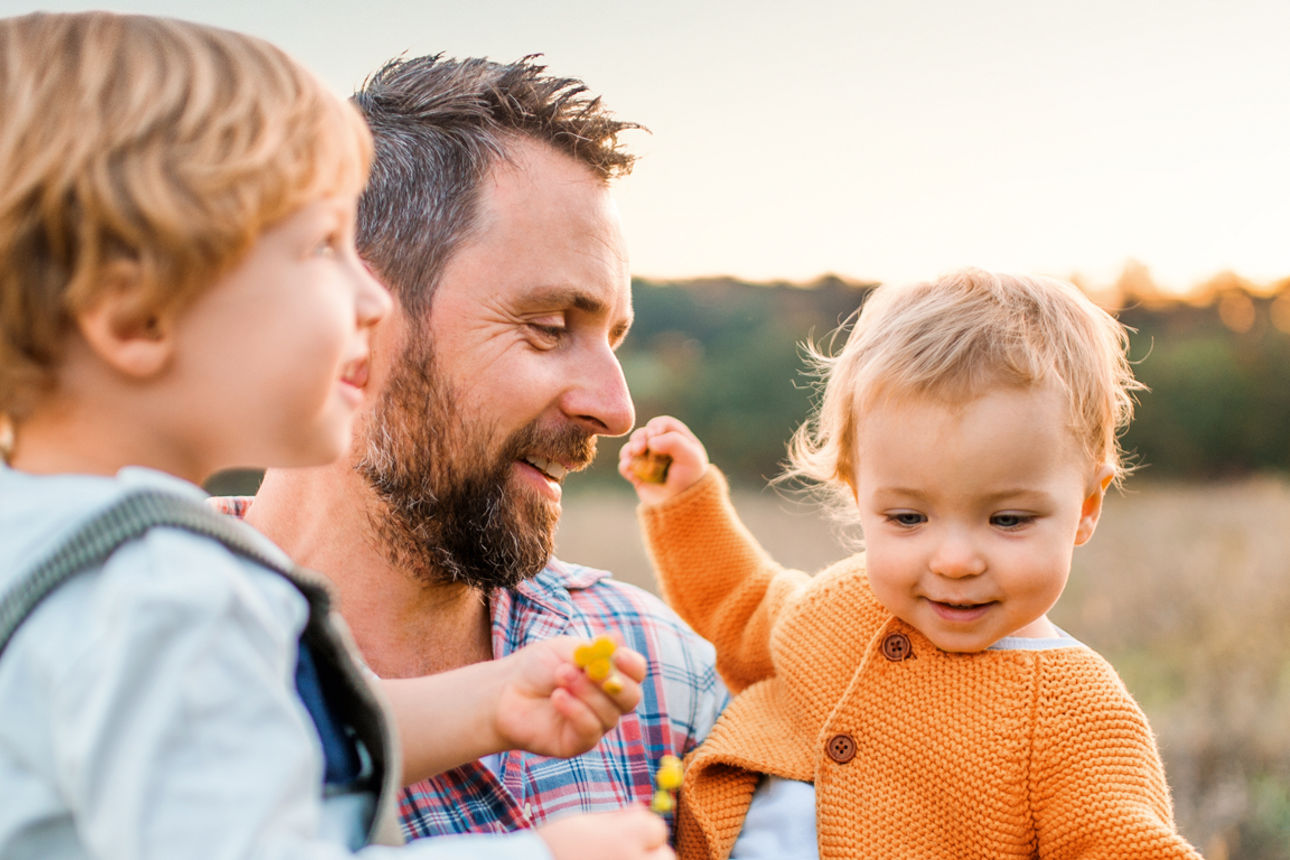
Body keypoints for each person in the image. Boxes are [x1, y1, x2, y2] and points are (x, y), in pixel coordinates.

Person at [0, 12, 671, 859]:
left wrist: (486, 704)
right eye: (323, 247)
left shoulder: (68, 556)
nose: (371, 301)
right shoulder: (170, 592)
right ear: (137, 315)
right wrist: (543, 854)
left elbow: (260, 732)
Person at [231, 53, 727, 840]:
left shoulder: (665, 675)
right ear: (349, 315)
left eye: (614, 340)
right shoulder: (106, 653)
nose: (616, 408)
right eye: (548, 328)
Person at [619, 269, 1205, 858]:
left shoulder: (1076, 715)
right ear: (857, 492)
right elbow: (742, 610)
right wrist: (685, 504)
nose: (953, 561)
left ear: (1085, 506)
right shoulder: (841, 607)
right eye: (907, 519)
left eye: (1007, 520)